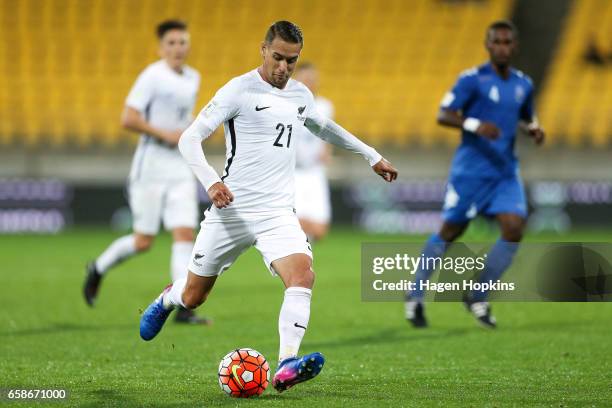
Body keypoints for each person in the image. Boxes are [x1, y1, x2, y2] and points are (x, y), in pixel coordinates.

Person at [138, 21, 398, 392]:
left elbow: (325, 128)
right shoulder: (238, 90)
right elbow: (189, 139)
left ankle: (286, 363)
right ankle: (168, 298)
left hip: (277, 213)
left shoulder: (300, 95)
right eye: (277, 57)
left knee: (303, 275)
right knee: (194, 297)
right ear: (263, 50)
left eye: (291, 61)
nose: (283, 68)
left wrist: (373, 157)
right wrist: (211, 181)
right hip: (232, 210)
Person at [405, 20, 545, 329]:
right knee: (451, 232)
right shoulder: (472, 80)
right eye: (497, 42)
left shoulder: (524, 84)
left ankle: (477, 294)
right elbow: (444, 114)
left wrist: (533, 128)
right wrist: (474, 125)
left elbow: (524, 115)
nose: (503, 47)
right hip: (471, 172)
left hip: (506, 172)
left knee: (514, 228)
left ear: (515, 46)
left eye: (508, 42)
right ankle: (415, 293)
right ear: (488, 45)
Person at [83, 20, 209, 324]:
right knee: (143, 241)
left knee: (184, 233)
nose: (178, 48)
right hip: (150, 166)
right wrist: (164, 134)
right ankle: (98, 268)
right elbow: (129, 118)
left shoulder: (193, 77)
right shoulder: (152, 76)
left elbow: (182, 116)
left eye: (182, 42)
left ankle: (183, 307)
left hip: (179, 165)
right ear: (160, 47)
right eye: (172, 43)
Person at [293, 62, 334, 241]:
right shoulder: (285, 105)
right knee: (291, 228)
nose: (309, 82)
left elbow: (328, 136)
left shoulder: (324, 106)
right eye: (305, 79)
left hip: (315, 171)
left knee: (320, 230)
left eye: (312, 79)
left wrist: (327, 150)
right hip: (291, 172)